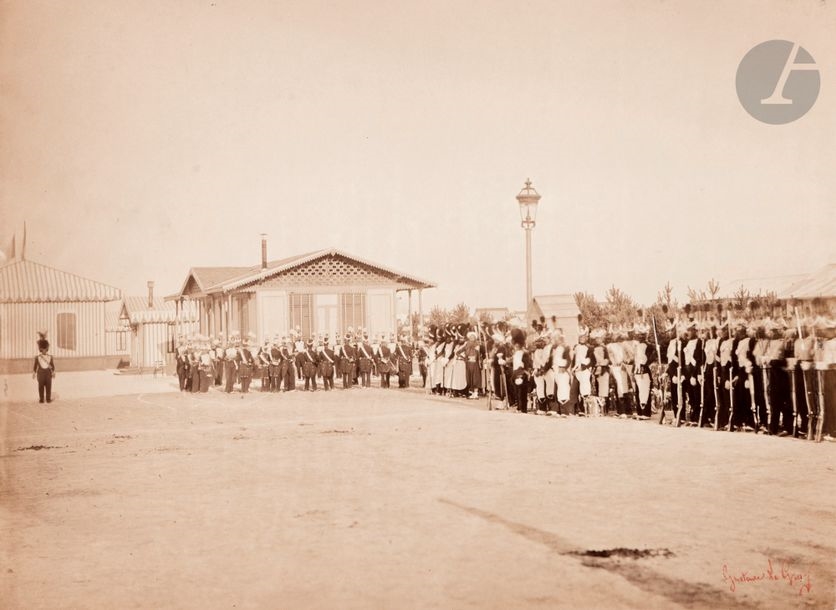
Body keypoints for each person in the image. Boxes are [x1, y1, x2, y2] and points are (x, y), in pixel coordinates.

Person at [33, 332, 55, 403]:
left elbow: (52, 365)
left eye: (45, 349)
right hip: (41, 373)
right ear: (40, 349)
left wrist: (53, 372)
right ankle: (41, 399)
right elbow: (35, 366)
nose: (44, 351)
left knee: (49, 386)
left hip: (48, 373)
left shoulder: (50, 357)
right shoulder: (37, 357)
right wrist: (34, 373)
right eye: (43, 349)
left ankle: (48, 398)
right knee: (41, 386)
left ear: (47, 349)